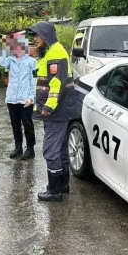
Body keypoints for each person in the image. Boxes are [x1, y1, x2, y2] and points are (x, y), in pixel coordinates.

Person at [26, 21, 78, 202]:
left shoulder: (55, 53)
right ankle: (62, 186)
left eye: (37, 36)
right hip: (59, 111)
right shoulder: (52, 52)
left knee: (50, 150)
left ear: (46, 36)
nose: (35, 39)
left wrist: (48, 107)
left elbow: (56, 84)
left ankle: (54, 191)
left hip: (56, 112)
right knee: (61, 148)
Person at [0, 33, 37, 160]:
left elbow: (34, 80)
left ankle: (30, 149)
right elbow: (0, 62)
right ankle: (18, 147)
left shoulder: (32, 62)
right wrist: (4, 42)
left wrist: (31, 97)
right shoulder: (10, 60)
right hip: (12, 98)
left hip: (25, 99)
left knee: (27, 124)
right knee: (15, 124)